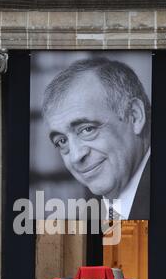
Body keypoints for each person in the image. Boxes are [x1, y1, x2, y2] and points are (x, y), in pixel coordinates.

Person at [42, 57, 151, 220]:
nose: (75, 157)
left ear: (134, 116)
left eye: (87, 129)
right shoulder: (85, 213)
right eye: (62, 141)